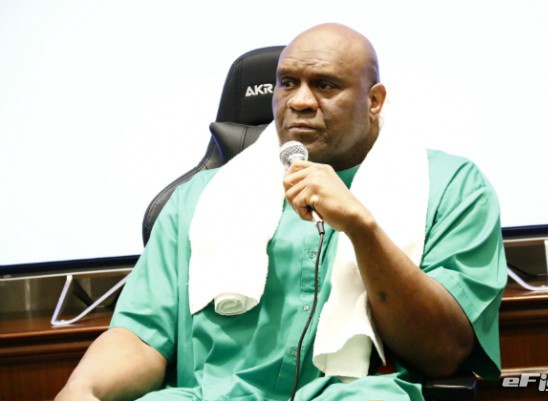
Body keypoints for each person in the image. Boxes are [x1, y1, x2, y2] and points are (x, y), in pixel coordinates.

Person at [55, 23, 507, 401]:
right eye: (287, 83)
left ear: (374, 101)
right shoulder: (200, 199)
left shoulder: (452, 187)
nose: (299, 101)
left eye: (325, 85)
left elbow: (443, 352)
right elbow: (140, 335)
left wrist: (361, 228)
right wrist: (82, 389)